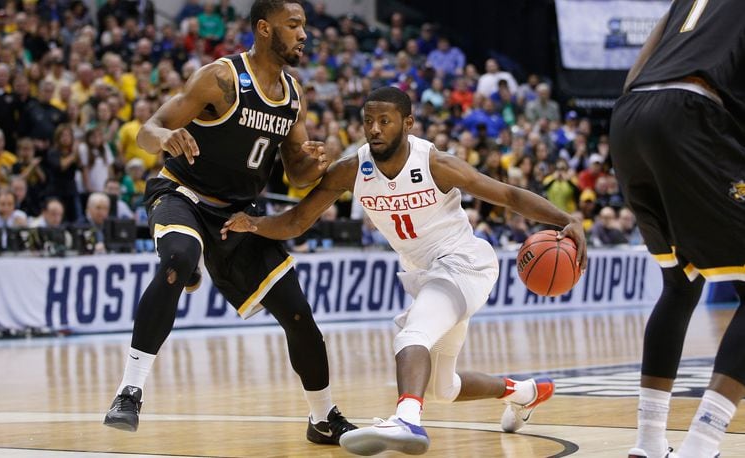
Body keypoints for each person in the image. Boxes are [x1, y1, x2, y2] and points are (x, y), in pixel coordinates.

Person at [221, 87, 587, 455]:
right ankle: (524, 393)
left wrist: (566, 219)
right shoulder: (353, 170)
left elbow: (507, 195)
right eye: (368, 122)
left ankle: (407, 418)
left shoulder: (435, 164)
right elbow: (298, 221)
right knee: (444, 389)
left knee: (412, 334)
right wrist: (252, 224)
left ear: (408, 123)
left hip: (464, 264)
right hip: (426, 274)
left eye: (384, 121)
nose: (374, 129)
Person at [102, 0, 357, 445]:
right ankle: (130, 390)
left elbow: (294, 174)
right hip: (183, 194)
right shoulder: (220, 78)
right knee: (178, 257)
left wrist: (311, 165)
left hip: (239, 216)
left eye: (304, 26)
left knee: (298, 313)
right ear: (263, 29)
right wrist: (167, 136)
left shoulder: (292, 95)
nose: (303, 34)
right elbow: (149, 130)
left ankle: (322, 417)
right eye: (293, 25)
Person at [608, 2, 745, 457]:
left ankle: (649, 441)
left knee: (681, 282)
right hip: (690, 111)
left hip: (629, 114)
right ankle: (702, 443)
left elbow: (635, 72)